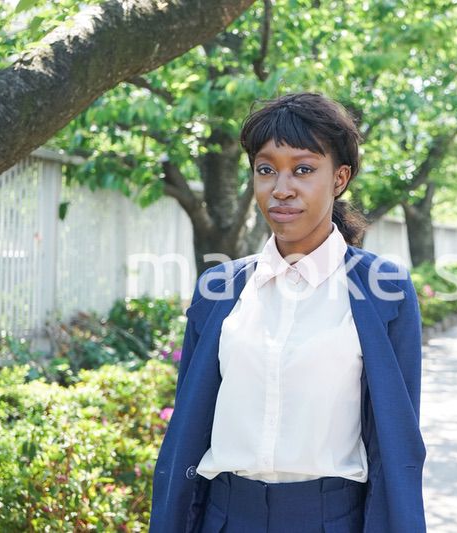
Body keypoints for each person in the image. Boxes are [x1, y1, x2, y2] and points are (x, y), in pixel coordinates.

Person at [149, 93, 426, 533]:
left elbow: (397, 443)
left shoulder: (383, 291)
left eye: (303, 169)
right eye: (266, 169)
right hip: (225, 518)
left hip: (329, 519)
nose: (281, 188)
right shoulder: (220, 290)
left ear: (339, 177)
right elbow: (187, 430)